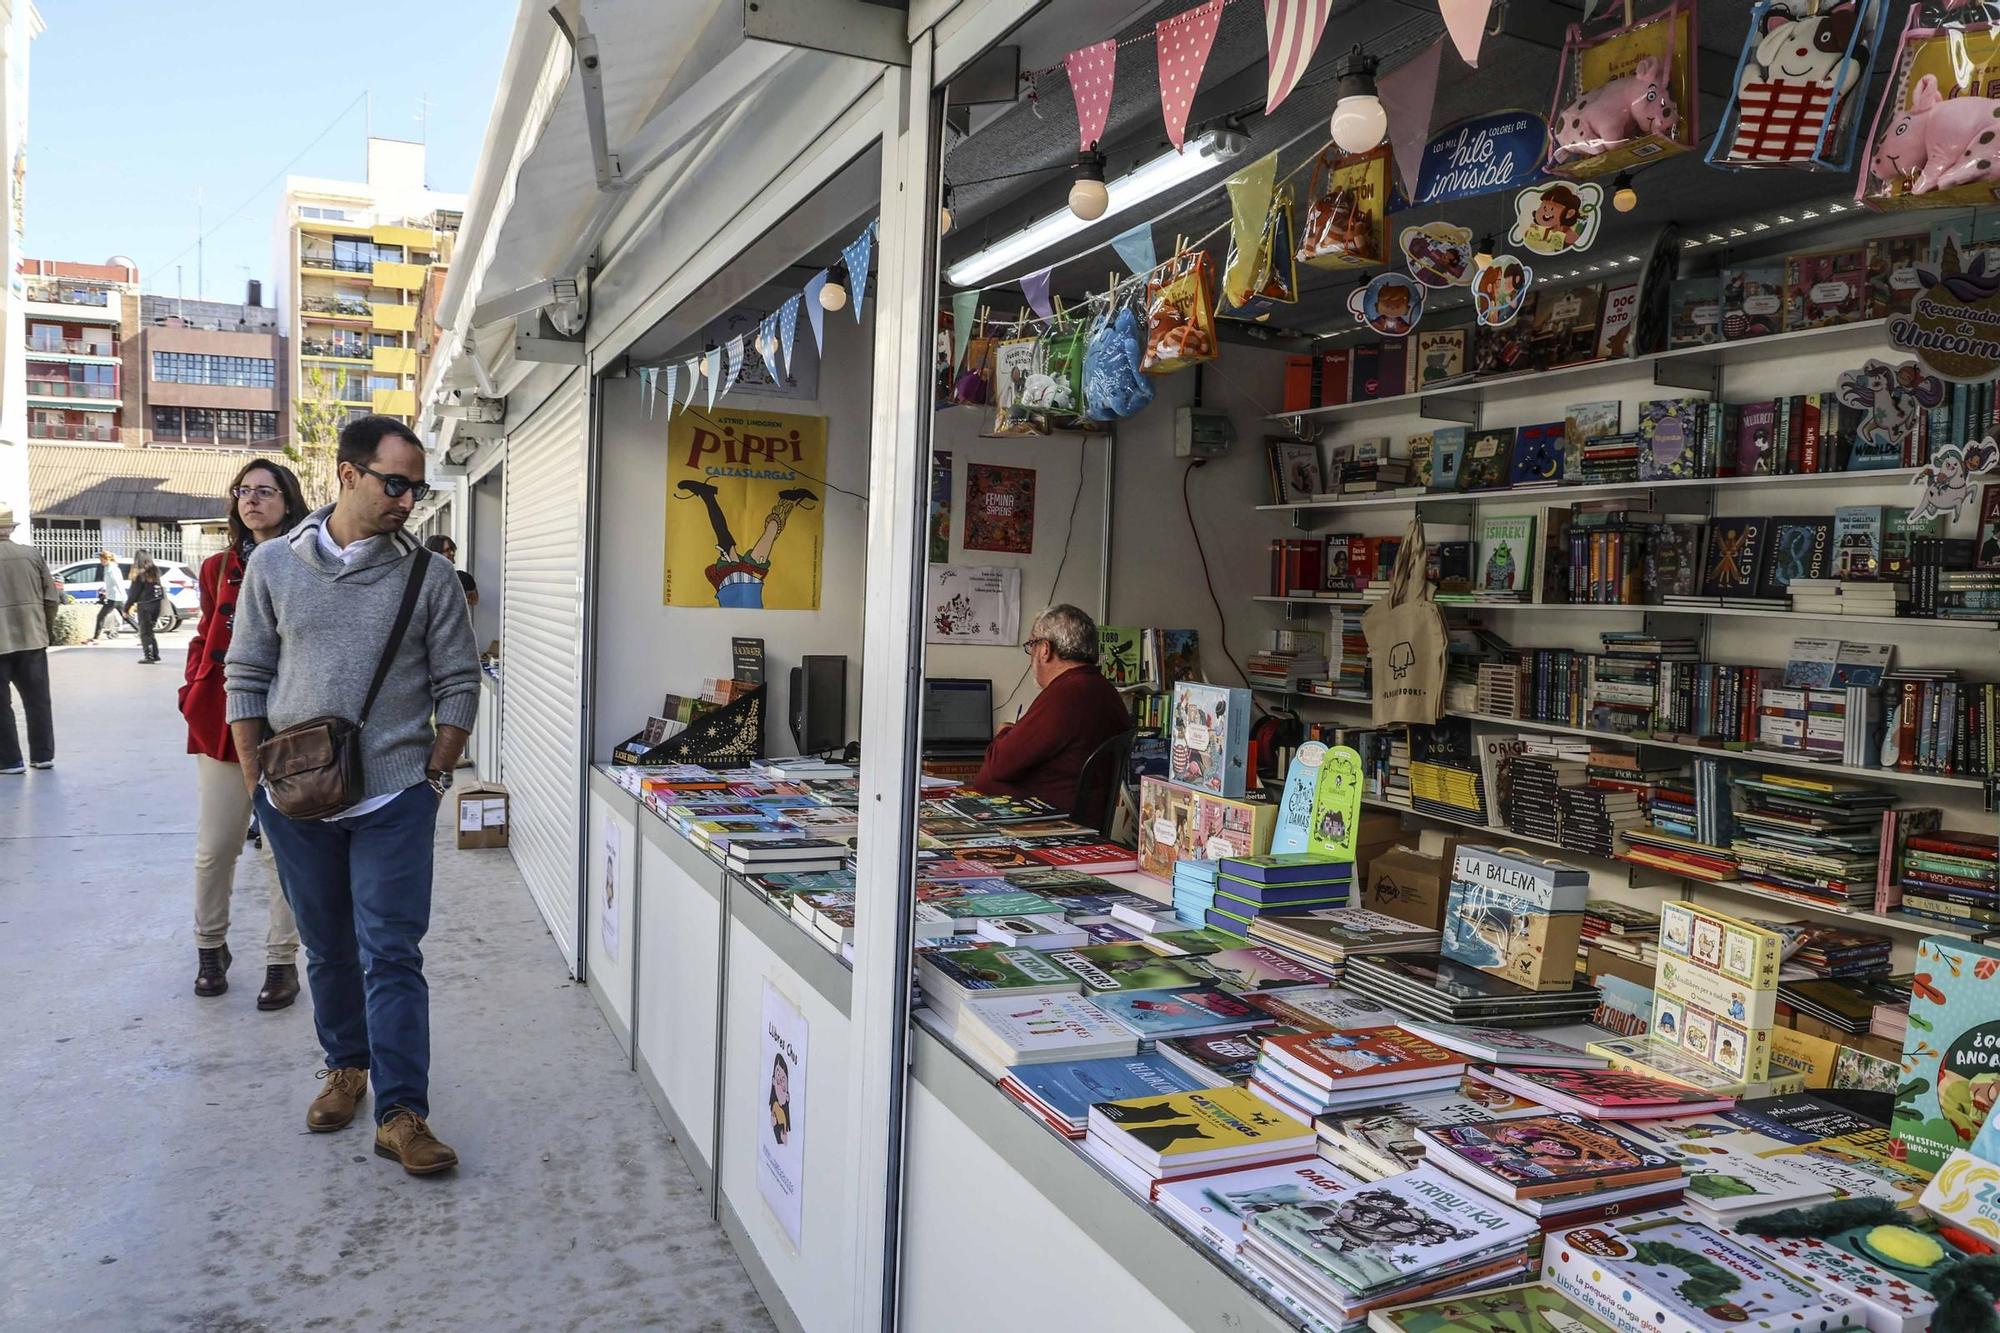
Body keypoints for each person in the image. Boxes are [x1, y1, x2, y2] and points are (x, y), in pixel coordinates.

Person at [226, 414, 479, 1176]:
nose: (407, 500)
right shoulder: (273, 565)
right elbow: (246, 676)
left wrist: (433, 777)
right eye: (393, 483)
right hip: (295, 797)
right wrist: (255, 789)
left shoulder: (426, 576)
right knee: (327, 948)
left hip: (394, 799)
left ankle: (403, 1113)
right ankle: (346, 1067)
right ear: (347, 473)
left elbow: (460, 681)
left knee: (391, 952)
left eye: (415, 486)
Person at [180, 458, 308, 1008]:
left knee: (282, 851)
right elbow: (205, 633)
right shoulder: (216, 567)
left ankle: (282, 960)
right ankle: (211, 947)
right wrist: (193, 690)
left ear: (288, 500)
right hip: (221, 721)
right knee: (216, 846)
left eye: (266, 491)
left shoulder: (308, 560)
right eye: (244, 491)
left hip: (292, 722)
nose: (253, 500)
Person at [972, 604, 1133, 812]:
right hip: (1067, 816)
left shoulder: (1067, 694)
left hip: (1041, 822)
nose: (1031, 656)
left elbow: (999, 765)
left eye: (1032, 646)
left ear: (1045, 649)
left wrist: (1004, 732)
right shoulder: (1102, 689)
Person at [0, 506, 60, 775]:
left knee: (1, 704)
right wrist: (42, 629)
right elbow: (51, 598)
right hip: (32, 639)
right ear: (11, 528)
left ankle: (10, 761)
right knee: (38, 700)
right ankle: (42, 756)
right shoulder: (32, 555)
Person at [127, 551, 165, 664]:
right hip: (156, 605)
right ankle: (155, 654)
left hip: (145, 605)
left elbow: (133, 594)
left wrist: (126, 608)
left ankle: (148, 656)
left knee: (144, 632)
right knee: (150, 631)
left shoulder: (140, 575)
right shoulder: (155, 572)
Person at [87, 550, 130, 643]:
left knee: (100, 616)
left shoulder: (112, 569)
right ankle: (141, 632)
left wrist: (124, 597)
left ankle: (96, 637)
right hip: (114, 596)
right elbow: (110, 583)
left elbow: (118, 583)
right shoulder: (108, 568)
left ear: (106, 559)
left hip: (114, 597)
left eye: (101, 559)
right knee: (125, 616)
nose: (100, 561)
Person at [424, 534, 478, 608]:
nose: (452, 553)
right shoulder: (423, 581)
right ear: (435, 554)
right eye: (447, 550)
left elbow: (473, 601)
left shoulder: (463, 578)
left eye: (452, 549)